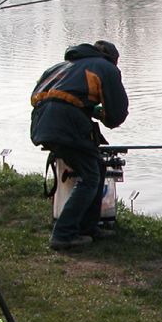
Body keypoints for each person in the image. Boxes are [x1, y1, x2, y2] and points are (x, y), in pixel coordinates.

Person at [30, 41, 128, 251]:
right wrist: (101, 114)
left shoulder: (58, 68)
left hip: (41, 122)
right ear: (112, 59)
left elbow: (52, 96)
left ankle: (87, 227)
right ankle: (63, 235)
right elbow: (117, 114)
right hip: (65, 122)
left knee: (96, 167)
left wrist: (88, 110)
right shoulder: (105, 67)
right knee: (90, 177)